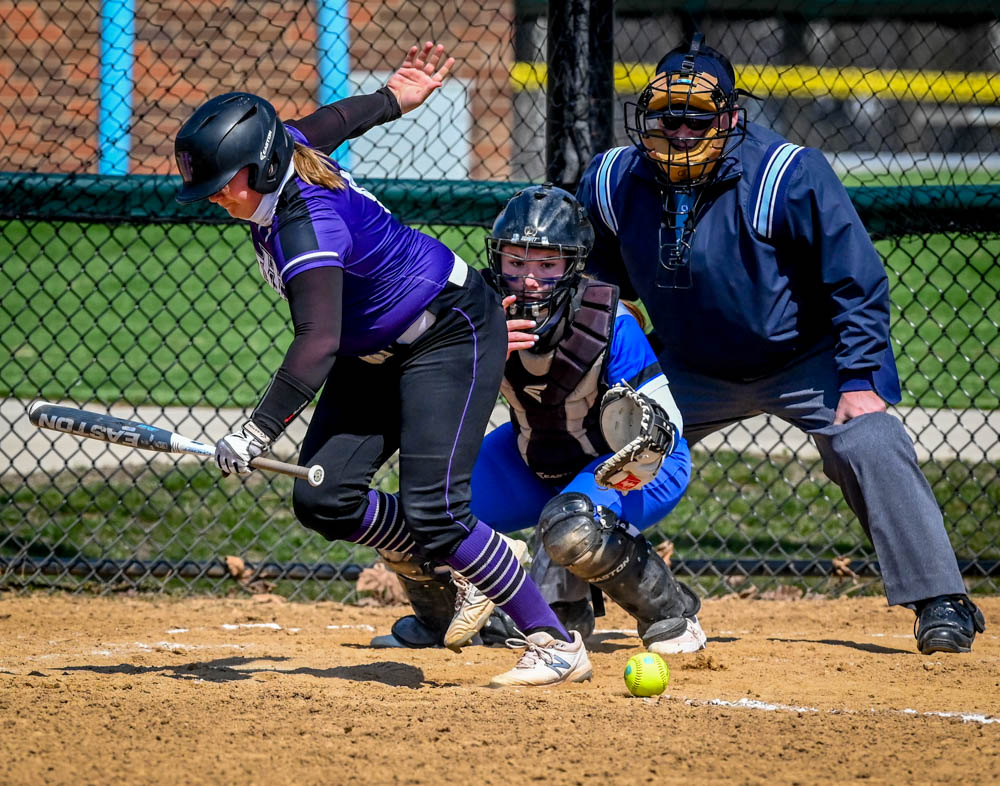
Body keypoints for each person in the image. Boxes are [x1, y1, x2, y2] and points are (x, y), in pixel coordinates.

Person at [172, 43, 592, 688]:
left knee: (439, 513)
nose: (210, 198)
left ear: (258, 170)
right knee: (324, 498)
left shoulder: (303, 224)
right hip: (374, 350)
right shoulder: (279, 151)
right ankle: (473, 554)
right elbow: (334, 122)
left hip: (449, 333)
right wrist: (395, 98)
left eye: (220, 184)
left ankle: (554, 642)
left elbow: (315, 341)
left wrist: (256, 429)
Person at [563, 33, 985, 654]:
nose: (679, 131)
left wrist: (862, 381)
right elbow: (595, 275)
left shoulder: (787, 173)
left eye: (697, 117)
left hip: (802, 359)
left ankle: (941, 599)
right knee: (601, 435)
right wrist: (615, 345)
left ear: (731, 116)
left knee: (870, 438)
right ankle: (566, 599)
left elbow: (857, 281)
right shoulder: (613, 179)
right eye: (665, 116)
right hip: (688, 366)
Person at [377, 184, 707, 657]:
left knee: (573, 526)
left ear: (573, 268)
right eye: (515, 263)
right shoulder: (479, 314)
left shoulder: (607, 320)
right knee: (416, 515)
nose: (529, 280)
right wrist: (480, 355)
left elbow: (665, 424)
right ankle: (443, 620)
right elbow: (428, 401)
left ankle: (672, 614)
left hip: (634, 462)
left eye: (547, 266)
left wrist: (614, 475)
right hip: (534, 454)